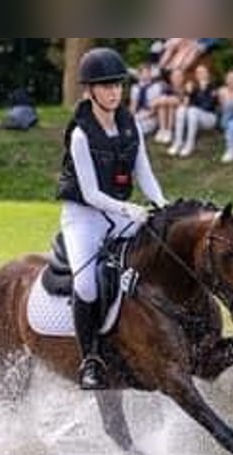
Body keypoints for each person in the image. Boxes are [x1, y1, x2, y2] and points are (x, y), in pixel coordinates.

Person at [57, 47, 168, 391]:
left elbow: (144, 172)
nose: (114, 92)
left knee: (157, 250)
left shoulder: (129, 123)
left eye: (118, 85)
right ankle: (90, 359)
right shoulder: (80, 134)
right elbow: (90, 194)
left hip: (120, 213)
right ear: (90, 91)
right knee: (86, 284)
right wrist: (127, 210)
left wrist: (162, 204)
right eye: (106, 86)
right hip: (83, 217)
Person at [168, 64, 218, 157]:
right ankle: (178, 142)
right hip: (194, 118)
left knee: (192, 111)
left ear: (207, 74)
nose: (200, 74)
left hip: (209, 118)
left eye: (202, 72)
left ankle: (189, 144)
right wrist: (188, 93)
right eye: (198, 72)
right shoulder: (195, 87)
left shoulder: (213, 87)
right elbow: (186, 104)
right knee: (181, 109)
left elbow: (208, 106)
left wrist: (203, 91)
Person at [128, 62, 164, 136]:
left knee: (138, 128)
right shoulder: (135, 88)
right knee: (128, 126)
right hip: (139, 113)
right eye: (143, 73)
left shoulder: (156, 87)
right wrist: (131, 117)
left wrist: (141, 117)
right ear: (139, 75)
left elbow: (154, 110)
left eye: (147, 72)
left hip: (150, 116)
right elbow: (133, 106)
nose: (145, 75)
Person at [152, 68, 185, 145]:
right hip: (166, 113)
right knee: (162, 106)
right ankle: (162, 130)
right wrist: (164, 100)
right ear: (171, 78)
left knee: (170, 105)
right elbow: (154, 103)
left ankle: (169, 131)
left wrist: (165, 100)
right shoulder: (168, 88)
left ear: (182, 78)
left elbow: (180, 101)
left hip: (179, 113)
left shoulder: (184, 88)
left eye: (179, 76)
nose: (177, 79)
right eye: (175, 76)